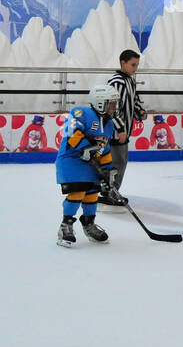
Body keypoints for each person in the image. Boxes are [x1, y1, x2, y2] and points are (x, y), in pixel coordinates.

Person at [55, 84, 119, 247]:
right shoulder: (81, 113)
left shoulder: (109, 125)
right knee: (78, 192)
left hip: (91, 164)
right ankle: (65, 227)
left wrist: (108, 172)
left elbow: (104, 150)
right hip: (72, 160)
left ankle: (89, 225)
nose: (114, 107)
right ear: (100, 102)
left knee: (91, 194)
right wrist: (85, 147)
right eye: (111, 103)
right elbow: (71, 131)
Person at [105, 48, 146, 206]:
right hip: (116, 132)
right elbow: (111, 108)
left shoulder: (129, 80)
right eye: (133, 65)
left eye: (137, 65)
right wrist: (120, 129)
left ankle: (112, 190)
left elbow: (134, 101)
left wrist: (140, 112)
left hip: (124, 130)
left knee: (120, 162)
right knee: (117, 162)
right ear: (123, 63)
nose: (135, 68)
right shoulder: (117, 82)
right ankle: (110, 192)